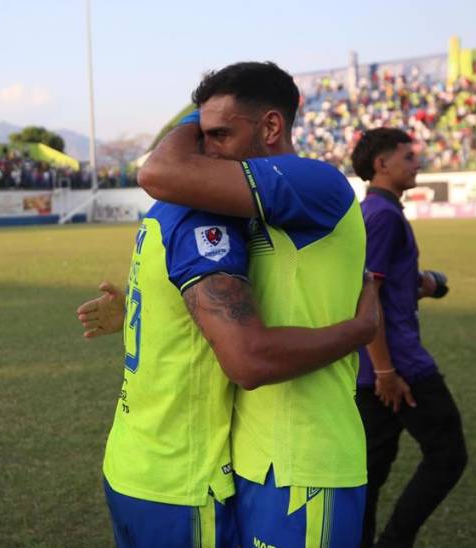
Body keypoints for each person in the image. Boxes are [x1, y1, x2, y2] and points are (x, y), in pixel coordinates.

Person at [137, 61, 369, 547]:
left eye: (220, 134)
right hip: (250, 457)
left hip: (308, 459)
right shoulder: (249, 208)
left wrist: (362, 329)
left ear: (271, 126)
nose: (207, 148)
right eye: (203, 135)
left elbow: (160, 171)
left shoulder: (316, 183)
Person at [77, 176, 379, 547]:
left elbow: (177, 312)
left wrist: (142, 312)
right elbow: (249, 358)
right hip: (180, 480)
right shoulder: (202, 224)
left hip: (130, 462)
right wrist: (360, 329)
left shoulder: (160, 214)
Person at [349, 128, 468, 548]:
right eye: (407, 156)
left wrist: (428, 282)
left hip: (370, 370)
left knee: (370, 474)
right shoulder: (382, 217)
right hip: (397, 366)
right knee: (449, 455)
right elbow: (368, 294)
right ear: (381, 165)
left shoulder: (373, 212)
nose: (416, 163)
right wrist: (386, 371)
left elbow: (384, 279)